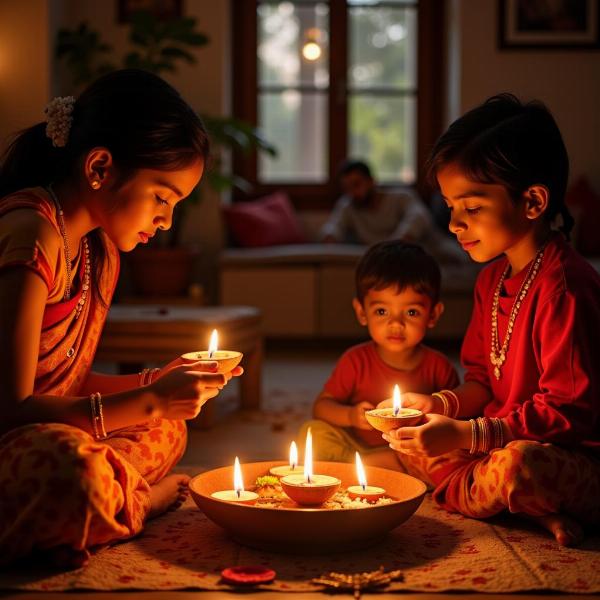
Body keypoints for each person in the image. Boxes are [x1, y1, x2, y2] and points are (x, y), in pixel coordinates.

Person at [0, 69, 242, 567]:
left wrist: (158, 384)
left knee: (168, 429)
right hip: (16, 441)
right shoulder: (32, 235)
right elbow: (11, 408)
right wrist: (147, 400)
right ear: (100, 167)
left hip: (47, 428)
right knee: (71, 472)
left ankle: (98, 505)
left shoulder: (97, 249)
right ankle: (132, 503)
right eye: (162, 197)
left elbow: (65, 382)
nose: (166, 220)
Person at [378, 93, 600, 547]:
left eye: (472, 208)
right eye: (450, 206)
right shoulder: (491, 279)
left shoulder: (565, 286)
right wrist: (439, 407)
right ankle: (528, 511)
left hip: (568, 455)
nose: (455, 223)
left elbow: (569, 413)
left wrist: (468, 434)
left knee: (519, 468)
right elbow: (482, 382)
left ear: (533, 202)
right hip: (497, 438)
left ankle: (512, 498)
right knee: (413, 440)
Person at [299, 241, 459, 469]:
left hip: (409, 454)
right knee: (313, 432)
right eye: (381, 311)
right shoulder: (356, 361)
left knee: (452, 455)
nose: (395, 323)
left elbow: (454, 422)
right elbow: (321, 407)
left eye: (411, 312)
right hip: (357, 449)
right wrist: (351, 416)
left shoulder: (439, 367)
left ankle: (375, 469)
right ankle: (360, 467)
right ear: (362, 312)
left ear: (433, 314)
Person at [320, 160, 465, 264]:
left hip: (429, 250)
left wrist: (399, 241)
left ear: (371, 181)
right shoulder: (348, 206)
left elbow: (419, 216)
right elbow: (333, 226)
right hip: (388, 262)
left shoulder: (401, 197)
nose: (352, 192)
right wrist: (329, 238)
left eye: (356, 184)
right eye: (347, 188)